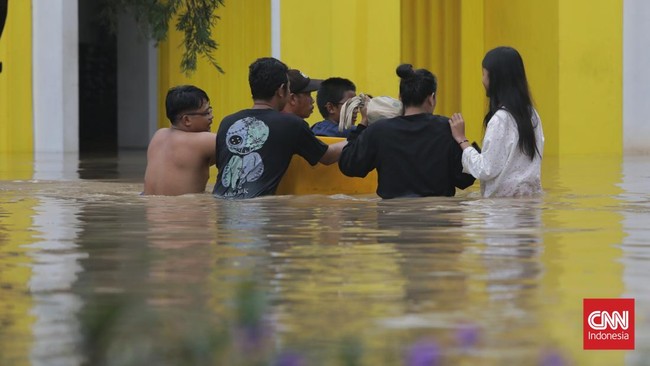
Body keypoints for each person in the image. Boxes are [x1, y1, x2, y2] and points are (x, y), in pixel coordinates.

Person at [213, 57, 347, 199]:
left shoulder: (227, 123)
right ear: (281, 90)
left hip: (221, 206)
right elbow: (328, 156)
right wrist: (357, 137)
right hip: (257, 211)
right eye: (288, 88)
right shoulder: (292, 124)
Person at [338, 64, 475, 199]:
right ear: (431, 98)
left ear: (400, 98)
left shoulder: (379, 130)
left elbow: (349, 165)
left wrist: (364, 123)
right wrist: (464, 141)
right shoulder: (448, 128)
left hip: (393, 217)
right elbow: (465, 179)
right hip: (438, 217)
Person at [448, 46, 544, 197]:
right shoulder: (532, 115)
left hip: (503, 212)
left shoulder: (501, 119)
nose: (482, 80)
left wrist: (462, 139)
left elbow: (486, 169)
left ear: (495, 78)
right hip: (530, 206)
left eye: (484, 74)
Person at [143, 85, 217, 195]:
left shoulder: (158, 136)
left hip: (152, 209)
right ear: (187, 120)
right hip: (184, 209)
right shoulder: (204, 141)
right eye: (206, 113)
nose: (211, 117)